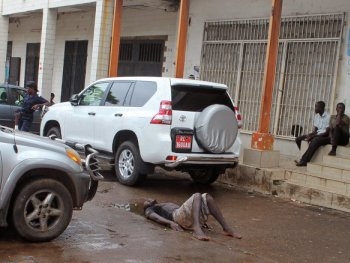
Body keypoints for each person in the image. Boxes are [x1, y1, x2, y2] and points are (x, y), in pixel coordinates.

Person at [143, 193, 242, 241]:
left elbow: (191, 208)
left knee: (208, 198)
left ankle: (226, 229)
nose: (148, 200)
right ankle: (196, 229)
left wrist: (201, 220)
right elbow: (155, 218)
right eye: (146, 202)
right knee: (197, 195)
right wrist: (170, 223)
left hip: (185, 216)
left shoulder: (161, 204)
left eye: (147, 199)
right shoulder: (150, 210)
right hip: (176, 217)